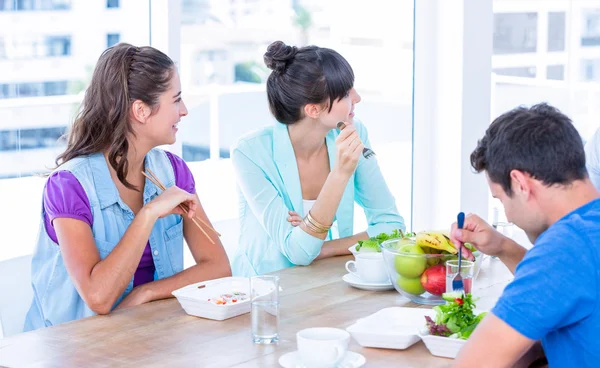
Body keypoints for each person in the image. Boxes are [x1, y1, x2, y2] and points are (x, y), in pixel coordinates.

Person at [24, 43, 231, 331]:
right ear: (141, 110)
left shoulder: (173, 172)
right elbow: (98, 297)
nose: (183, 111)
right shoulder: (69, 186)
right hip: (72, 353)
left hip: (144, 339)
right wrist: (147, 215)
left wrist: (144, 293)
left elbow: (218, 268)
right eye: (176, 100)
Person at [449, 103, 600, 368]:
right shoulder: (585, 236)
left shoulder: (564, 248)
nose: (507, 216)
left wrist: (529, 348)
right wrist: (503, 247)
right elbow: (573, 287)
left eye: (500, 199)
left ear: (519, 183)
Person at [230, 41, 405, 277]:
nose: (358, 97)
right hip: (264, 292)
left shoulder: (353, 132)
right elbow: (299, 253)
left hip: (325, 282)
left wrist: (320, 247)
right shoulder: (250, 153)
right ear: (313, 110)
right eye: (345, 93)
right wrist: (340, 173)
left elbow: (393, 228)